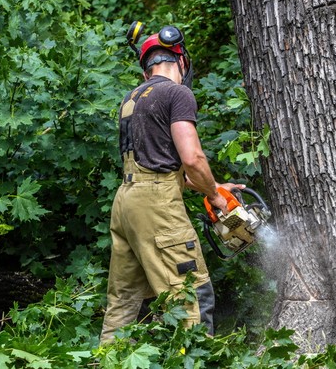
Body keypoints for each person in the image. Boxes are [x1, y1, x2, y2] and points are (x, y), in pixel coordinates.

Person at [100, 26, 243, 343]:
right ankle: (197, 358)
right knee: (191, 293)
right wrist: (216, 199)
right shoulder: (177, 94)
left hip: (127, 203)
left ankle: (110, 360)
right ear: (181, 60)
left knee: (122, 303)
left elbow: (160, 163)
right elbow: (192, 159)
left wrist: (214, 186)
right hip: (157, 207)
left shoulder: (132, 97)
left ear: (146, 66)